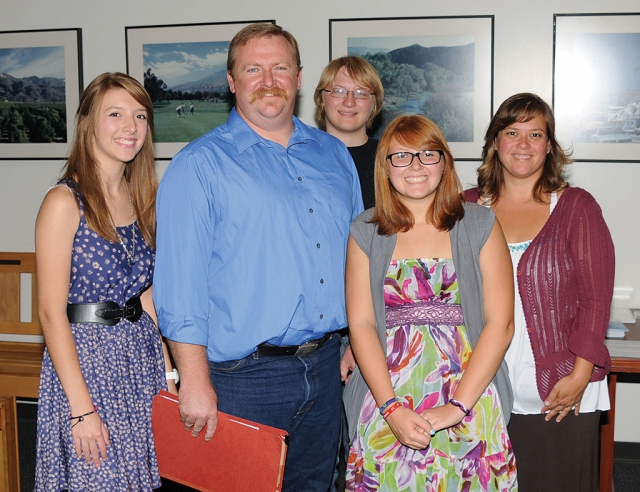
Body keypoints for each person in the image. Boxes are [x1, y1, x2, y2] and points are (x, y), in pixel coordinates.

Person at [153, 23, 363, 492]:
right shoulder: (199, 165)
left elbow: (355, 257)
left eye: (280, 68)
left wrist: (353, 341)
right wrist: (193, 380)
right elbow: (178, 284)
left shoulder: (332, 155)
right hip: (243, 379)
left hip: (327, 369)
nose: (268, 80)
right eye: (253, 69)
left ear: (299, 77)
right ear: (232, 81)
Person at [343, 114, 518, 491]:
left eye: (427, 154)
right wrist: (391, 409)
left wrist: (456, 408)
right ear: (385, 167)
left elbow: (500, 324)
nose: (416, 167)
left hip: (470, 396)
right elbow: (361, 325)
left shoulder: (479, 225)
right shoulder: (365, 231)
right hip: (386, 398)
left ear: (445, 162)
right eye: (401, 156)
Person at [33, 72, 177, 491]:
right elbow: (49, 312)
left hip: (141, 361)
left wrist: (168, 376)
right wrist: (81, 410)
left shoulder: (140, 197)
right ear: (88, 122)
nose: (130, 127)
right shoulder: (64, 202)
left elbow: (144, 295)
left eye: (139, 116)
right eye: (115, 114)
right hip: (88, 366)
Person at [465, 92, 614, 492]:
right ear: (495, 142)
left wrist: (581, 374)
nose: (523, 144)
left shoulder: (576, 207)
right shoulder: (465, 209)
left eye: (536, 134)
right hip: (480, 383)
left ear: (549, 146)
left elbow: (595, 299)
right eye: (512, 132)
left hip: (560, 384)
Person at [315, 56, 384, 210]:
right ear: (321, 99)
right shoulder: (301, 158)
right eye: (338, 91)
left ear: (375, 104)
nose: (349, 102)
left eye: (361, 93)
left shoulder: (391, 160)